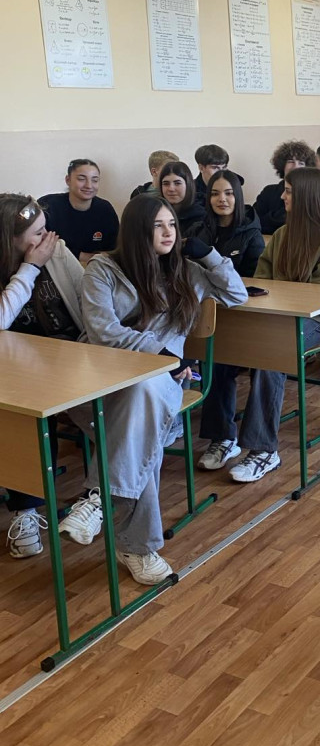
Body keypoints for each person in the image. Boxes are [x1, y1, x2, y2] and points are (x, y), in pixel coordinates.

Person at [78, 195, 247, 583]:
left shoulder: (186, 272)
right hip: (103, 379)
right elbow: (104, 333)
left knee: (145, 402)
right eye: (158, 225)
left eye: (172, 224)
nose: (169, 233)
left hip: (162, 382)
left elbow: (236, 295)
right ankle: (134, 546)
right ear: (138, 230)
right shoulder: (103, 270)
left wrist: (211, 255)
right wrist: (162, 353)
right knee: (143, 429)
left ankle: (100, 500)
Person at [198, 168, 320, 480]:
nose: (282, 196)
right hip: (275, 317)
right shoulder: (281, 234)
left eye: (288, 191)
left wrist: (279, 297)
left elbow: (319, 292)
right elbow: (262, 280)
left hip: (314, 321)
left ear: (305, 196)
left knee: (270, 356)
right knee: (220, 347)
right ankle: (223, 437)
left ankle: (264, 450)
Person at [0, 196, 84, 558]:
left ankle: (86, 500)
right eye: (37, 233)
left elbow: (88, 303)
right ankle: (26, 510)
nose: (48, 237)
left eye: (45, 228)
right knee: (20, 411)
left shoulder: (58, 252)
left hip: (72, 358)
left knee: (33, 408)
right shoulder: (25, 262)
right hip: (17, 368)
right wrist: (30, 267)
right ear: (11, 240)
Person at [40, 159, 119, 264]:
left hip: (94, 267)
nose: (89, 185)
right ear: (68, 180)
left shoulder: (105, 209)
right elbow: (38, 243)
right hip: (54, 266)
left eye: (95, 180)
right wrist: (82, 256)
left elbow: (114, 249)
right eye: (81, 179)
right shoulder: (48, 205)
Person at [187, 169, 264, 278]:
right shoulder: (197, 230)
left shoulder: (252, 235)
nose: (222, 199)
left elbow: (255, 278)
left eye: (228, 193)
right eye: (215, 194)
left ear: (238, 196)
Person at [254, 139, 317, 235]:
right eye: (291, 161)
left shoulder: (313, 194)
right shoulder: (268, 192)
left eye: (301, 163)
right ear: (282, 165)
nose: (296, 167)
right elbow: (255, 223)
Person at [159, 161, 206, 236]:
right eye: (166, 184)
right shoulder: (156, 214)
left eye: (177, 183)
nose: (171, 189)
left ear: (188, 185)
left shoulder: (201, 218)